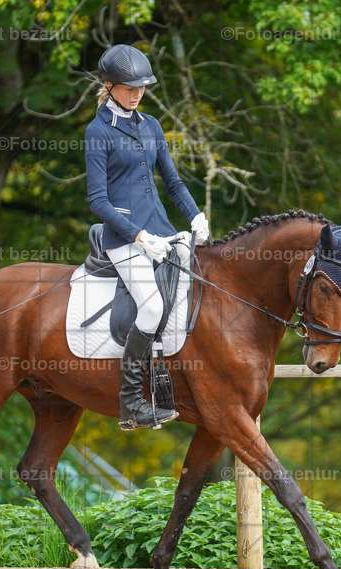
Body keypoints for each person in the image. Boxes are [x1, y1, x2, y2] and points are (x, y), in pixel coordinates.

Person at [85, 44, 209, 431]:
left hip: (163, 232)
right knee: (152, 308)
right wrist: (138, 236)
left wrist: (196, 215)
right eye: (130, 88)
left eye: (142, 87)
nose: (137, 93)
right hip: (123, 239)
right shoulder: (98, 131)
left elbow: (172, 182)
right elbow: (98, 200)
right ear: (110, 87)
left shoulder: (151, 124)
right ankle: (132, 403)